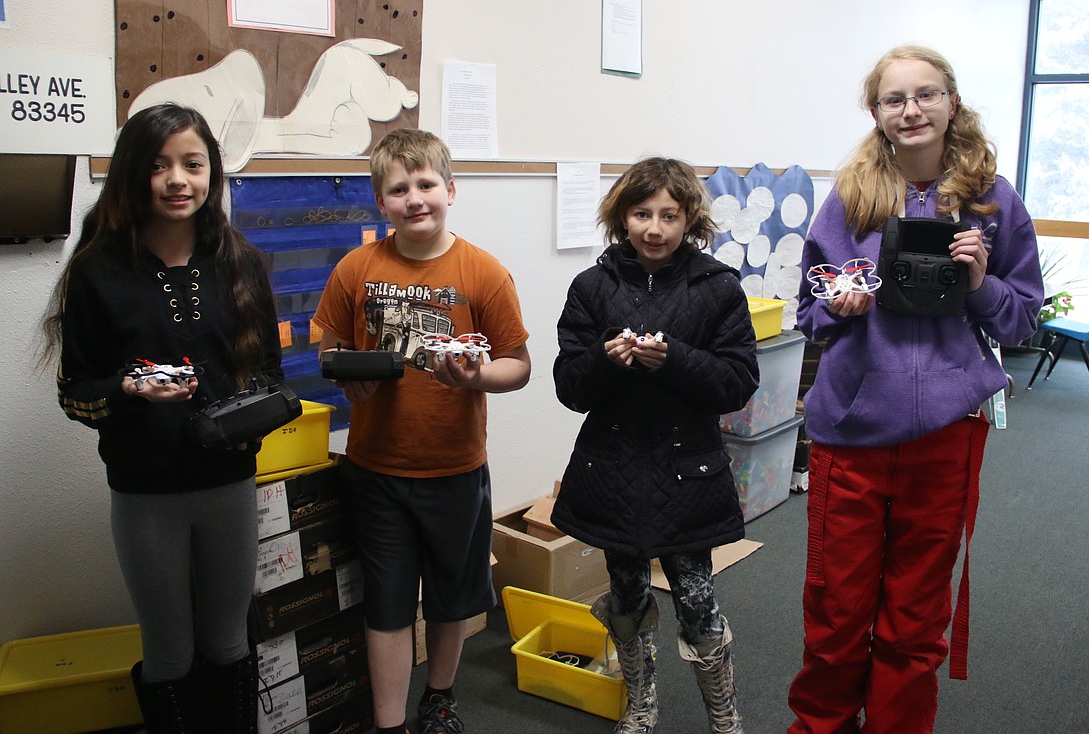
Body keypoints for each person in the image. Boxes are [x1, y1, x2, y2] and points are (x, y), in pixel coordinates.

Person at [787, 44, 1044, 733]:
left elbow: (1022, 321)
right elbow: (807, 312)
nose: (911, 110)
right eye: (894, 99)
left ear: (951, 101)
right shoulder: (851, 198)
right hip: (854, 430)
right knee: (837, 614)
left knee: (914, 620)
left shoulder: (994, 200)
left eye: (925, 94)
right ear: (876, 112)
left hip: (946, 436)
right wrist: (837, 304)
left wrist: (980, 283)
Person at [41, 103, 283, 732]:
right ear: (132, 176)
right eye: (159, 165)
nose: (178, 179)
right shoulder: (98, 271)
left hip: (227, 483)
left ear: (212, 173)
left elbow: (271, 380)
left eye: (192, 164)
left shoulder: (243, 263)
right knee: (170, 650)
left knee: (229, 642)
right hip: (146, 490)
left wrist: (234, 416)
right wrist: (129, 390)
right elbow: (75, 394)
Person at [312, 128, 531, 734]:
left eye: (426, 184)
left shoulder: (484, 272)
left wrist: (474, 378)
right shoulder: (357, 267)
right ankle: (389, 723)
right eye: (398, 188)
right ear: (380, 201)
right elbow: (329, 349)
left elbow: (518, 366)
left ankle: (438, 698)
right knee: (385, 599)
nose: (415, 198)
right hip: (375, 467)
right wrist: (344, 379)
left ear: (451, 190)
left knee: (450, 596)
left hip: (454, 467)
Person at [551, 157, 760, 734]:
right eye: (642, 213)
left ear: (689, 217)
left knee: (696, 601)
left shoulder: (718, 286)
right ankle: (640, 702)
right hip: (611, 468)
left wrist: (675, 360)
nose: (655, 228)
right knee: (625, 595)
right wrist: (604, 360)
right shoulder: (591, 286)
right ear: (620, 216)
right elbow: (570, 387)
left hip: (687, 471)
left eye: (669, 215)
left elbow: (739, 383)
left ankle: (724, 712)